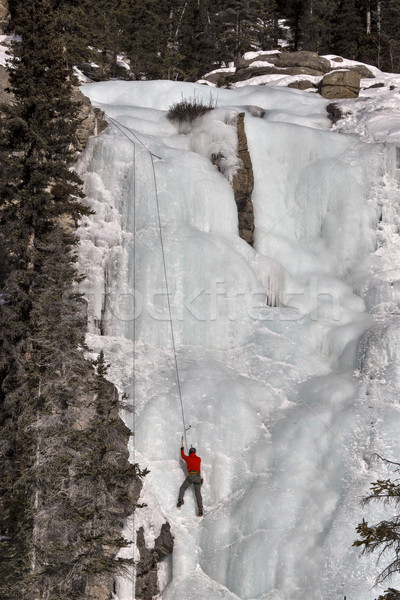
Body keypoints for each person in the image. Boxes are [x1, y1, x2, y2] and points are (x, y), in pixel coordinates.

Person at [177, 439, 203, 517]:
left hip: (191, 476)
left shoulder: (188, 458)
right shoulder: (199, 459)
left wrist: (182, 449)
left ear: (190, 453)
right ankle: (200, 508)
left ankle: (180, 500)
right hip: (198, 477)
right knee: (198, 493)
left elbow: (183, 456)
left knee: (182, 488)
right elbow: (193, 458)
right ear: (195, 452)